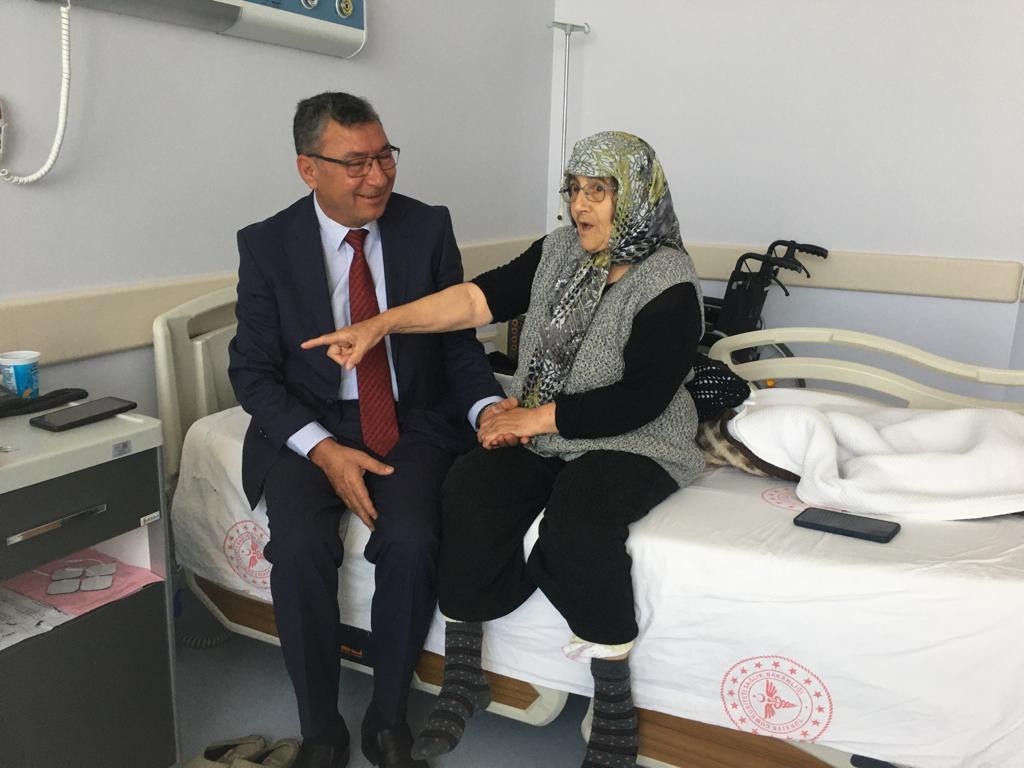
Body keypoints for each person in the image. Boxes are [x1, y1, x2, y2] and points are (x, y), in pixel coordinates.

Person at [303, 131, 705, 768]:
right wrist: (380, 325)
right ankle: (466, 676)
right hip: (546, 420)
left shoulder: (670, 282)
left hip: (636, 436)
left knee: (579, 524)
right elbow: (475, 299)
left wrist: (529, 419)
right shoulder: (560, 250)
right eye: (574, 190)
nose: (580, 205)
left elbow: (640, 399)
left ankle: (614, 702)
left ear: (636, 196)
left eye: (599, 192)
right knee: (469, 488)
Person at [227, 92, 505, 768]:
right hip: (309, 423)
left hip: (409, 418)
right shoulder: (267, 245)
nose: (377, 177)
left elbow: (458, 347)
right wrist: (323, 450)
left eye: (385, 157)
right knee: (299, 549)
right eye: (356, 163)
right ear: (308, 168)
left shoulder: (426, 228)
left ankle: (388, 717)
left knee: (411, 542)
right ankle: (320, 727)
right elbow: (252, 374)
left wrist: (487, 410)